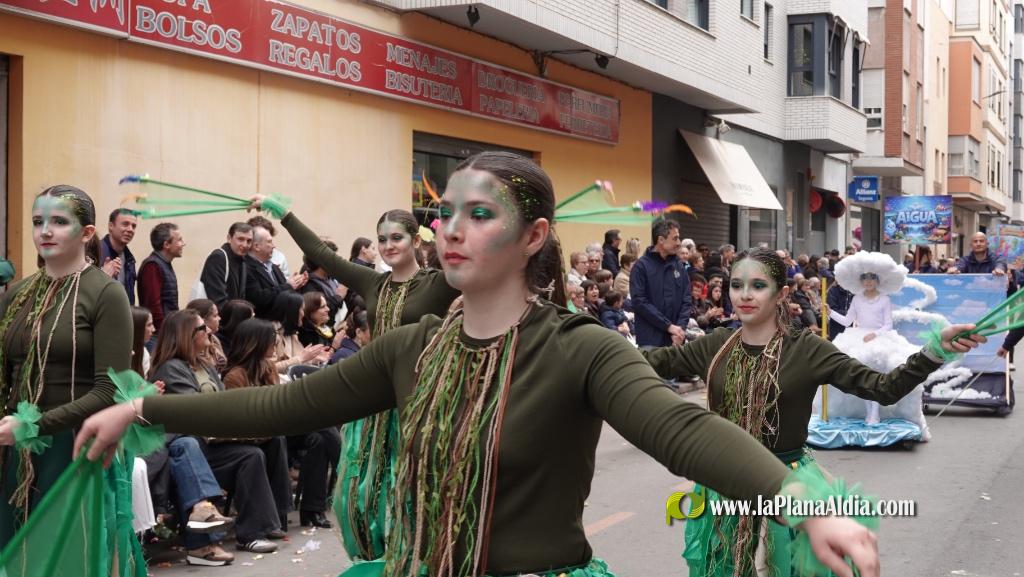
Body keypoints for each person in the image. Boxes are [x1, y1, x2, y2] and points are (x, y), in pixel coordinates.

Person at [78, 152, 888, 577]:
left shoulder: (580, 347)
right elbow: (279, 409)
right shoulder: (410, 348)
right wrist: (145, 407)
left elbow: (679, 426)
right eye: (444, 214)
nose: (448, 230)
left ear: (533, 235)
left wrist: (801, 501)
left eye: (479, 213)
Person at [642, 247, 979, 576]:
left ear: (780, 293)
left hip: (791, 482)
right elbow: (648, 362)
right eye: (736, 285)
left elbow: (882, 387)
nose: (745, 294)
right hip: (724, 480)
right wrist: (592, 340)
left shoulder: (808, 350)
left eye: (758, 286)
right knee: (720, 569)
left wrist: (934, 351)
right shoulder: (714, 345)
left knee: (792, 569)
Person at [252, 206, 460, 560]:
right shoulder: (372, 282)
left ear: (415, 239)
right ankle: (376, 561)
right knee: (361, 496)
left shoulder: (439, 283)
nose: (388, 245)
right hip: (374, 403)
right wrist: (284, 213)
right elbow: (320, 254)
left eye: (397, 237)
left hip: (419, 402)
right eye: (382, 239)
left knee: (414, 488)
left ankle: (419, 558)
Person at [0, 185, 144, 575]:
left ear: (86, 233)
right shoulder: (16, 294)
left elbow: (109, 389)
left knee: (67, 558)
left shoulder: (106, 293)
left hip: (76, 445)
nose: (45, 231)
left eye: (59, 222)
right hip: (14, 446)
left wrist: (35, 425)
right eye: (37, 222)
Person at [149, 310, 287, 554]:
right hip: (190, 446)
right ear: (186, 335)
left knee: (256, 451)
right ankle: (243, 531)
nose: (210, 331)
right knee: (251, 453)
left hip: (212, 441)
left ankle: (258, 529)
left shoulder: (203, 365)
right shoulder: (171, 369)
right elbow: (196, 409)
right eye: (203, 328)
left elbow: (223, 399)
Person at [221, 318, 335, 529]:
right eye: (271, 341)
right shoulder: (234, 376)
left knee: (317, 439)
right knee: (311, 433)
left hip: (275, 426)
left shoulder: (267, 368)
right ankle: (284, 511)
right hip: (255, 432)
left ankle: (312, 509)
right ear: (256, 343)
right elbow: (245, 415)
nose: (275, 345)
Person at [825, 252, 931, 439]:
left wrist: (875, 334)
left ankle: (876, 412)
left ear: (877, 280)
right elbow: (848, 320)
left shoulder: (884, 299)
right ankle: (870, 412)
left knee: (878, 375)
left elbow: (888, 324)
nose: (868, 282)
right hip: (858, 337)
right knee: (862, 374)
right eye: (864, 278)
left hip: (880, 338)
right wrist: (830, 312)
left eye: (871, 278)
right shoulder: (857, 299)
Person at [631, 218, 690, 349]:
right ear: (661, 240)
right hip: (651, 341)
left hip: (675, 340)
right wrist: (668, 326)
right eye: (675, 238)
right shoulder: (641, 267)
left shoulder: (679, 266)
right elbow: (639, 302)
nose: (679, 243)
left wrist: (680, 329)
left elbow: (686, 300)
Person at [245, 224, 307, 318]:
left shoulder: (274, 267)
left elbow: (282, 292)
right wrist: (288, 285)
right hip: (264, 325)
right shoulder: (246, 267)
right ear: (256, 246)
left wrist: (296, 285)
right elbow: (258, 298)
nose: (274, 246)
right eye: (269, 242)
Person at [137, 222, 185, 334]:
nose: (183, 243)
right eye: (179, 240)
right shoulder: (153, 266)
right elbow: (153, 306)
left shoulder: (164, 264)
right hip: (158, 335)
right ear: (166, 245)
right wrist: (164, 332)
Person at [268, 291, 329, 374]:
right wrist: (301, 358)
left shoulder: (292, 333)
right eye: (302, 310)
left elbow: (299, 360)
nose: (303, 314)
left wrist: (312, 359)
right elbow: (268, 370)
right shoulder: (269, 334)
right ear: (292, 311)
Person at [200, 223, 253, 308]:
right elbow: (217, 300)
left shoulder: (242, 260)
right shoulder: (218, 257)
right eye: (240, 239)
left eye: (249, 241)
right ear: (229, 238)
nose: (245, 245)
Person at [100, 208, 139, 304]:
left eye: (133, 226)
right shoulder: (96, 252)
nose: (130, 229)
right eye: (125, 224)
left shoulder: (130, 259)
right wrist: (103, 275)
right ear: (111, 226)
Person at [186, 299, 228, 373]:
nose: (219, 318)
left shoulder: (214, 339)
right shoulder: (193, 346)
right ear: (202, 320)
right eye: (215, 316)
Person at [130, 306, 156, 377]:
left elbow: (140, 387)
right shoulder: (119, 354)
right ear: (137, 327)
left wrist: (151, 387)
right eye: (149, 325)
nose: (153, 329)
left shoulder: (144, 353)